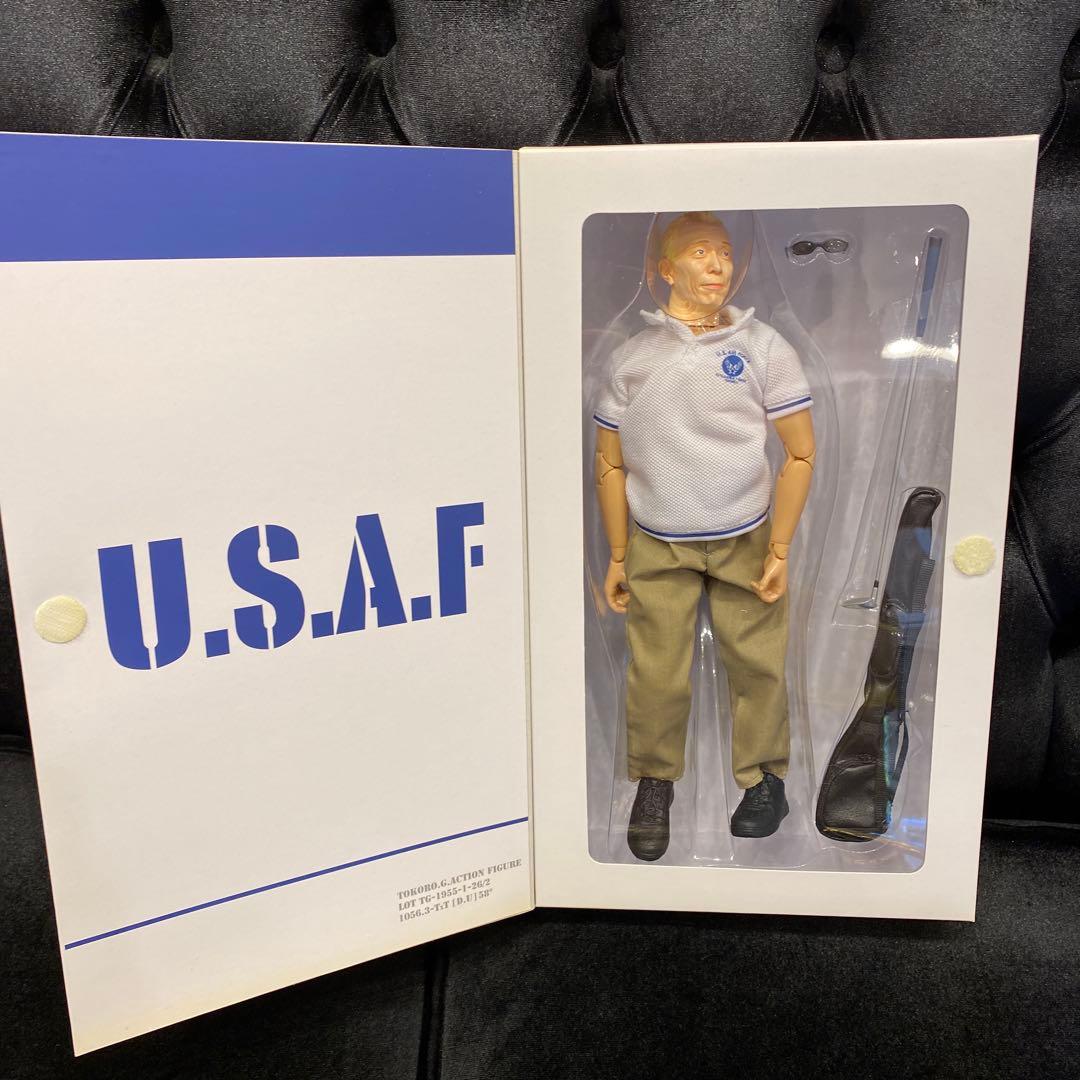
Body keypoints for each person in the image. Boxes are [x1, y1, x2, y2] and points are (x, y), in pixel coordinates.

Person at [593, 211, 815, 861]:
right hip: (658, 537)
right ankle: (654, 782)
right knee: (657, 671)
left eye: (723, 252)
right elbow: (608, 462)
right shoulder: (633, 358)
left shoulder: (763, 348)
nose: (717, 264)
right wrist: (618, 555)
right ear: (666, 269)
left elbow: (800, 453)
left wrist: (780, 547)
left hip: (745, 531)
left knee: (758, 663)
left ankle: (765, 780)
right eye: (698, 253)